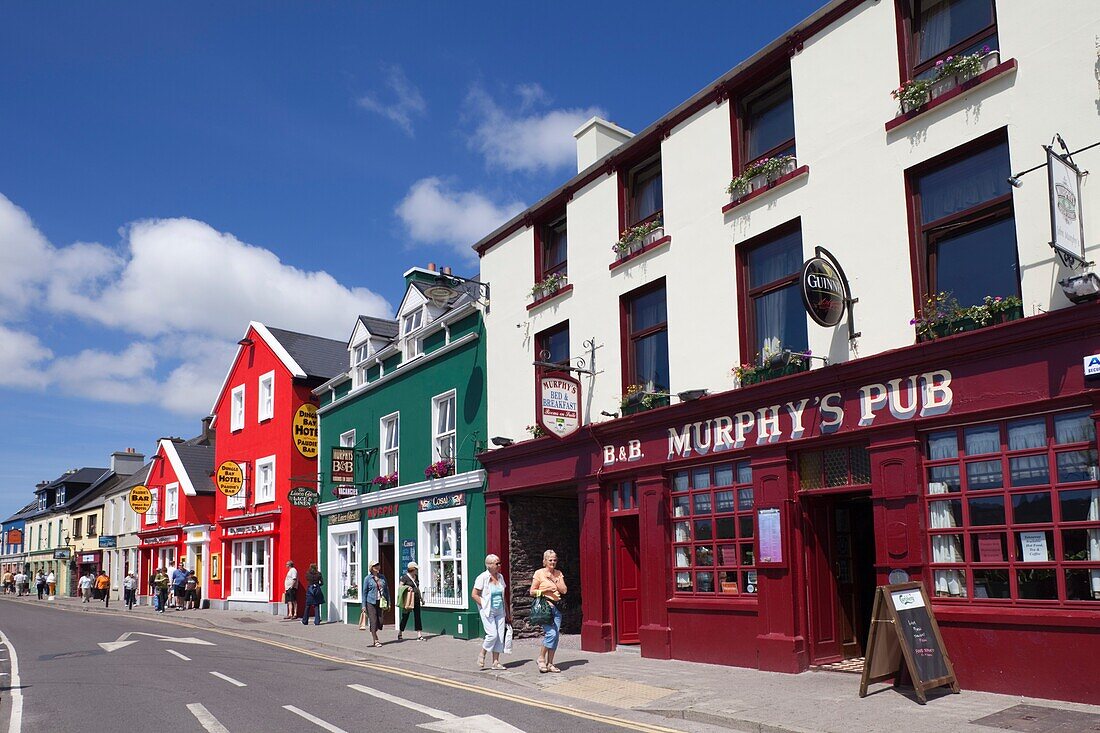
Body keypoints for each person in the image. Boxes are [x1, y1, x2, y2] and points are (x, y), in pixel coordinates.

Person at [529, 549, 567, 674]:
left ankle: (550, 663)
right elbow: (532, 591)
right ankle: (541, 658)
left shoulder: (558, 573)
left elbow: (564, 590)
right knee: (551, 634)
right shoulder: (539, 573)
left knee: (555, 637)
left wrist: (554, 579)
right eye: (550, 560)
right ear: (545, 561)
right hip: (545, 607)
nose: (553, 562)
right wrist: (545, 591)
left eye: (555, 560)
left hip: (557, 608)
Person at [473, 554, 510, 671]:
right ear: (489, 565)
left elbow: (503, 597)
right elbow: (474, 595)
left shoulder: (500, 577)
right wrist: (484, 605)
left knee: (499, 636)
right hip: (488, 610)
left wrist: (507, 612)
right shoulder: (482, 577)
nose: (499, 565)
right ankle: (482, 653)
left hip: (500, 610)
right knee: (492, 634)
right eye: (496, 563)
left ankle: (496, 662)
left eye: (499, 563)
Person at [362, 562, 388, 647]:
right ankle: (375, 639)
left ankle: (374, 631)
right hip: (370, 602)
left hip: (380, 601)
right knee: (373, 621)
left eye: (378, 565)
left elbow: (386, 590)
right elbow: (364, 593)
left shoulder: (382, 577)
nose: (378, 567)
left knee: (380, 621)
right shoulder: (367, 579)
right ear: (372, 568)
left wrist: (389, 602)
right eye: (375, 566)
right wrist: (363, 606)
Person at [397, 561, 425, 641]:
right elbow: (400, 587)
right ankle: (400, 632)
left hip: (416, 599)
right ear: (412, 569)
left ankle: (419, 634)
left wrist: (421, 599)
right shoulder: (405, 577)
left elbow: (417, 588)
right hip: (408, 600)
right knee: (405, 616)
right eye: (416, 569)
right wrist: (407, 587)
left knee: (417, 616)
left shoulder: (416, 577)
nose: (417, 570)